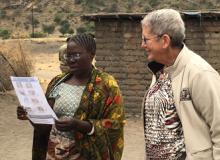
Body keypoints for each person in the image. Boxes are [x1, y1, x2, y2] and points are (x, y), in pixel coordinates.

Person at [17, 34, 125, 160]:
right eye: (68, 55)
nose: (71, 60)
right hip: (53, 153)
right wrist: (31, 114)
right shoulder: (57, 82)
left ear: (91, 54)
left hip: (86, 155)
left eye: (77, 54)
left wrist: (78, 125)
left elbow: (115, 125)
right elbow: (46, 126)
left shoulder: (106, 85)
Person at [141, 9, 220, 159]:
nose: (142, 45)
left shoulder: (200, 74)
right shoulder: (160, 71)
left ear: (165, 41)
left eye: (145, 39)